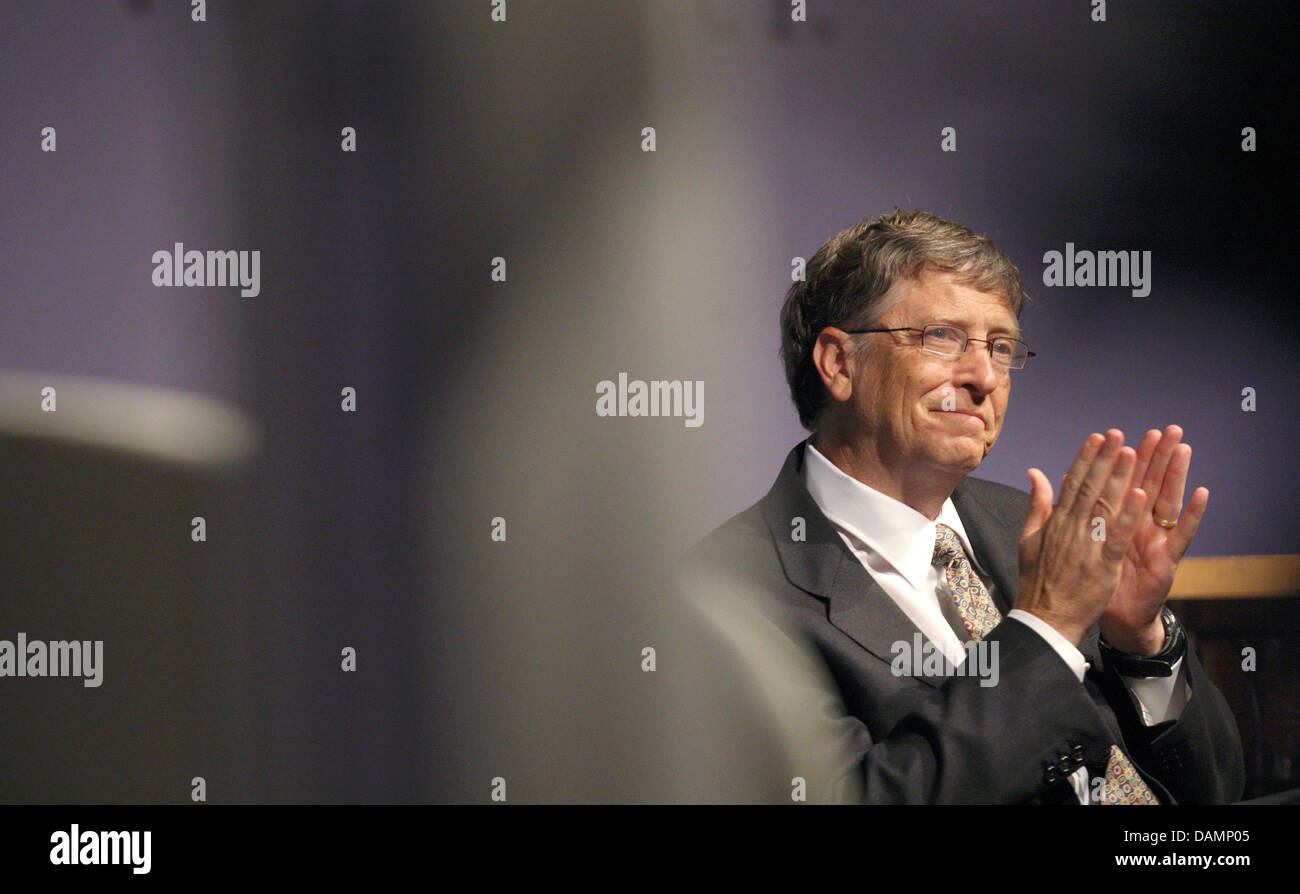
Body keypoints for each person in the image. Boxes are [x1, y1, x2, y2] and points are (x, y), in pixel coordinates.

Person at [687, 209, 1244, 804]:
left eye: (1001, 346)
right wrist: (1045, 629)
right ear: (839, 363)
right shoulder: (730, 596)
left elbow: (1217, 794)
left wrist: (1140, 645)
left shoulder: (1033, 531)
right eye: (942, 336)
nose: (983, 375)